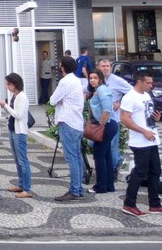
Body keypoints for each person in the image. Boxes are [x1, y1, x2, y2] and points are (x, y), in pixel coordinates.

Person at [120, 70, 162, 217]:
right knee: (139, 172)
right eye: (148, 82)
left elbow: (147, 115)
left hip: (152, 138)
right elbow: (125, 119)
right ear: (139, 82)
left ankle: (154, 203)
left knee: (155, 172)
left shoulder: (146, 95)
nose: (151, 85)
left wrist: (156, 118)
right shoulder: (130, 97)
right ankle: (129, 203)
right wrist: (143, 131)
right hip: (140, 141)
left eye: (151, 82)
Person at [49, 55, 85, 201]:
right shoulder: (76, 80)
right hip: (77, 122)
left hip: (68, 122)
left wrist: (60, 101)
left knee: (72, 158)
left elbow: (52, 100)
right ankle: (79, 187)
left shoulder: (65, 81)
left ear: (62, 67)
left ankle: (75, 190)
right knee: (77, 157)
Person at [0, 72, 33, 198]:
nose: (7, 86)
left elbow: (19, 115)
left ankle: (27, 188)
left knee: (23, 160)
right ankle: (21, 184)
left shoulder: (22, 97)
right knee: (17, 160)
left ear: (15, 84)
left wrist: (5, 105)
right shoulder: (15, 96)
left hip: (19, 132)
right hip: (13, 130)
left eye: (9, 84)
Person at [97, 58, 130, 176]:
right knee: (94, 143)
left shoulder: (117, 81)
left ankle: (113, 170)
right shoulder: (96, 80)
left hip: (113, 119)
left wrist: (120, 102)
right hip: (99, 120)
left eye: (107, 66)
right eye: (103, 66)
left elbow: (131, 92)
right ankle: (117, 160)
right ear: (98, 67)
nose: (105, 68)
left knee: (112, 146)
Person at [86, 70, 117, 194]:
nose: (92, 80)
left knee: (99, 156)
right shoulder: (98, 90)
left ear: (100, 79)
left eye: (95, 77)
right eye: (90, 78)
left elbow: (107, 109)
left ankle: (100, 186)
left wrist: (101, 125)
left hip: (107, 126)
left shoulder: (101, 90)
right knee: (106, 155)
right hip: (108, 125)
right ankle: (109, 185)